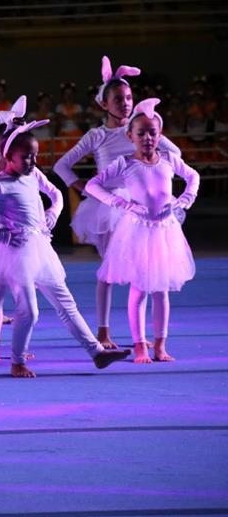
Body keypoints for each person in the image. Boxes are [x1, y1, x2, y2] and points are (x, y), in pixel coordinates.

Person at [0, 120, 131, 377]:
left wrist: (53, 212)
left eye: (35, 156)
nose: (32, 161)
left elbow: (57, 194)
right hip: (15, 254)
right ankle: (17, 362)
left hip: (40, 249)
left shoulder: (34, 174)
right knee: (29, 310)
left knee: (66, 303)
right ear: (8, 157)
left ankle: (97, 352)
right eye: (26, 157)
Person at [54, 57, 181, 348]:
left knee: (146, 269)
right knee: (110, 270)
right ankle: (103, 330)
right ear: (103, 104)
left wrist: (156, 162)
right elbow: (62, 165)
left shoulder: (142, 129)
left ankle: (143, 335)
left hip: (143, 208)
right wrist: (80, 184)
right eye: (118, 99)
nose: (124, 103)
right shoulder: (97, 136)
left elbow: (175, 153)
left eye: (128, 98)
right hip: (109, 208)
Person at [85, 98, 199, 364]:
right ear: (130, 136)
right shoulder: (124, 163)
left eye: (152, 132)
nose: (147, 137)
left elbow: (194, 177)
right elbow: (92, 185)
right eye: (141, 133)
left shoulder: (169, 159)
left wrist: (184, 199)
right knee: (139, 290)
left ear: (160, 135)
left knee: (161, 291)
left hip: (165, 232)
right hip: (136, 233)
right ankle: (140, 346)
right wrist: (121, 203)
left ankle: (160, 345)